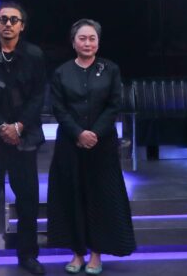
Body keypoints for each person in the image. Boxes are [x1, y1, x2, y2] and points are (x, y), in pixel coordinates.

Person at [47, 19, 136, 275]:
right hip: (70, 144)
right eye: (82, 38)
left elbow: (114, 105)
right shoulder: (62, 72)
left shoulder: (111, 69)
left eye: (92, 38)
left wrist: (94, 133)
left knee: (100, 199)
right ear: (73, 42)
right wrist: (78, 133)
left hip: (102, 145)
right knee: (72, 197)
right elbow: (58, 108)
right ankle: (77, 253)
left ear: (98, 42)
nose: (87, 43)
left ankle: (96, 254)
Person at [0, 3, 47, 275]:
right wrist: (2, 126)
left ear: (22, 26)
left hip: (24, 136)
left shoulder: (34, 55)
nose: (8, 24)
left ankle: (27, 254)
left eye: (14, 20)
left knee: (28, 199)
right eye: (3, 19)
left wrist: (19, 126)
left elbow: (39, 95)